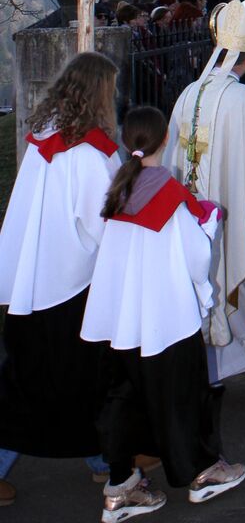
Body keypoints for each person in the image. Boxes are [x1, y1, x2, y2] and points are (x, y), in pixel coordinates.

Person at [82, 107, 245, 520]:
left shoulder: (118, 189)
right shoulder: (169, 193)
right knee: (181, 397)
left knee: (121, 399)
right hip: (165, 315)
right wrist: (208, 227)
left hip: (120, 318)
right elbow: (196, 259)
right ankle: (203, 473)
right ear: (165, 140)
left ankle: (120, 488)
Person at [0, 53, 121, 499]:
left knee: (52, 379)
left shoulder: (46, 134)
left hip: (33, 279)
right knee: (51, 385)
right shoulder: (88, 152)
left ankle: (105, 458)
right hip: (70, 287)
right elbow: (103, 221)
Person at [165, 0, 245, 383]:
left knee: (209, 285)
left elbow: (172, 153)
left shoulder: (188, 92)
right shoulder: (241, 97)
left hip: (190, 215)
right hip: (229, 215)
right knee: (243, 280)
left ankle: (212, 370)